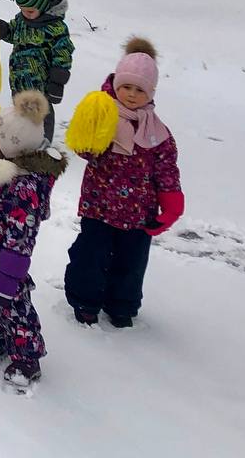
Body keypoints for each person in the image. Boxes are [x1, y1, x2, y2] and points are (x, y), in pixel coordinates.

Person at [63, 37, 184, 327]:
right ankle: (85, 301)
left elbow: (166, 168)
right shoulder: (103, 113)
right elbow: (84, 148)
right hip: (99, 206)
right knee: (91, 256)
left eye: (139, 89)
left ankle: (122, 305)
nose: (131, 94)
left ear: (151, 92)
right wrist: (92, 132)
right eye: (126, 87)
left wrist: (170, 204)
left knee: (131, 264)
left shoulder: (157, 130)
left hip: (140, 212)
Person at [0, 91, 65, 387]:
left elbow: (21, 236)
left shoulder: (23, 188)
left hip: (1, 262)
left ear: (9, 148)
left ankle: (26, 357)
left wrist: (10, 274)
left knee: (13, 308)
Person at [0, 0, 74, 138]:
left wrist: (57, 83)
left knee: (42, 115)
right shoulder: (21, 21)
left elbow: (63, 54)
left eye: (30, 11)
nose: (26, 14)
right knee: (20, 113)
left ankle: (43, 144)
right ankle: (21, 140)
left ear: (42, 6)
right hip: (19, 80)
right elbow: (12, 33)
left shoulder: (56, 28)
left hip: (41, 85)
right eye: (22, 10)